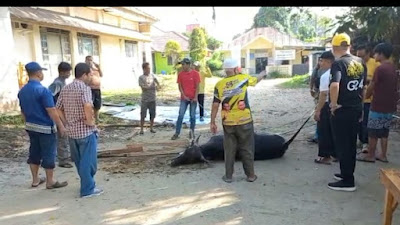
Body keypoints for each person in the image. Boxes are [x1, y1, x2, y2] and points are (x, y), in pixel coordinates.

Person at [210, 58, 267, 183]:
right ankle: (251, 175)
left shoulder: (219, 85)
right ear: (236, 69)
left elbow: (215, 104)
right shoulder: (243, 78)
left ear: (226, 70)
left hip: (228, 122)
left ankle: (228, 176)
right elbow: (256, 80)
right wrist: (263, 73)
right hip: (244, 121)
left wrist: (212, 122)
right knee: (247, 148)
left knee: (229, 150)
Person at [17, 62, 68, 189]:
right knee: (49, 153)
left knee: (34, 152)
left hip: (31, 126)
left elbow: (23, 111)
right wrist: (61, 125)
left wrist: (26, 123)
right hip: (45, 127)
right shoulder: (43, 90)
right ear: (39, 73)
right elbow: (51, 110)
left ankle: (35, 180)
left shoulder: (22, 91)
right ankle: (50, 181)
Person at [56, 63, 103, 198]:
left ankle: (87, 184)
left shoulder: (66, 89)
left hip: (72, 132)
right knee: (89, 163)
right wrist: (90, 122)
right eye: (90, 74)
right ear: (84, 75)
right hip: (85, 132)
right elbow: (88, 105)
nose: (91, 77)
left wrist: (65, 121)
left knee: (80, 161)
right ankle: (87, 189)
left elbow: (58, 107)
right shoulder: (84, 88)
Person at [329, 33, 366, 192]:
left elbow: (334, 85)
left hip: (343, 109)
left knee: (343, 144)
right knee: (350, 143)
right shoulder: (360, 62)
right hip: (356, 108)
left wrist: (334, 104)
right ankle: (346, 173)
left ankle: (348, 181)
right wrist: (361, 106)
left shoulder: (339, 64)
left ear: (335, 48)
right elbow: (362, 87)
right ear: (349, 46)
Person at [356, 43, 399, 163]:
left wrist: (366, 97)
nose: (374, 55)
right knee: (384, 132)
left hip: (377, 105)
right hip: (389, 106)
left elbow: (371, 86)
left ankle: (370, 155)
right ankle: (383, 155)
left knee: (373, 132)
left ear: (380, 54)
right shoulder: (393, 68)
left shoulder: (380, 69)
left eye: (375, 53)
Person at [356, 45, 381, 153]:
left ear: (368, 53)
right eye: (358, 56)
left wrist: (367, 79)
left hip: (369, 99)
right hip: (357, 98)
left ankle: (366, 143)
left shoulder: (376, 64)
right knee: (358, 121)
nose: (360, 58)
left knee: (366, 121)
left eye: (362, 56)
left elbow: (378, 80)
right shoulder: (355, 63)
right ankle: (360, 141)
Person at [313, 51, 337, 165]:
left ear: (328, 61)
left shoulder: (326, 76)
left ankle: (325, 156)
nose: (320, 63)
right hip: (337, 104)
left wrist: (318, 110)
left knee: (324, 131)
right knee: (335, 131)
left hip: (327, 105)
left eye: (322, 60)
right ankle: (336, 154)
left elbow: (323, 95)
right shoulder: (339, 72)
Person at [48, 62, 73, 168]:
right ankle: (63, 160)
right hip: (59, 113)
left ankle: (66, 156)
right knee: (62, 136)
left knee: (65, 135)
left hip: (64, 112)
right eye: (67, 72)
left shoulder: (63, 82)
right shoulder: (57, 83)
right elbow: (49, 96)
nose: (69, 74)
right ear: (62, 72)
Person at [171, 58, 200, 140]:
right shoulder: (180, 74)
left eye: (184, 64)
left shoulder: (196, 74)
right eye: (182, 64)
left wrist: (195, 97)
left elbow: (197, 86)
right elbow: (180, 87)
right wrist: (184, 96)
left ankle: (192, 132)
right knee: (180, 115)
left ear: (188, 64)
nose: (182, 66)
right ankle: (177, 133)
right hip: (184, 99)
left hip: (193, 98)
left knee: (192, 116)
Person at [138, 62, 160, 135]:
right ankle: (141, 129)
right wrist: (150, 87)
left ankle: (151, 128)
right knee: (143, 115)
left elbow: (157, 82)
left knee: (152, 114)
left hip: (152, 98)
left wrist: (158, 86)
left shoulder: (152, 76)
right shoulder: (141, 78)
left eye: (149, 68)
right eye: (147, 68)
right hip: (145, 99)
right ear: (144, 69)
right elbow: (143, 88)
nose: (149, 70)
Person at [85, 56, 103, 122]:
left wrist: (99, 67)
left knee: (97, 104)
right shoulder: (85, 69)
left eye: (91, 60)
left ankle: (97, 118)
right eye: (88, 60)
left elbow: (101, 75)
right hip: (90, 89)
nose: (90, 62)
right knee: (90, 104)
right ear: (85, 61)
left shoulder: (96, 69)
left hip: (97, 88)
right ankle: (90, 118)